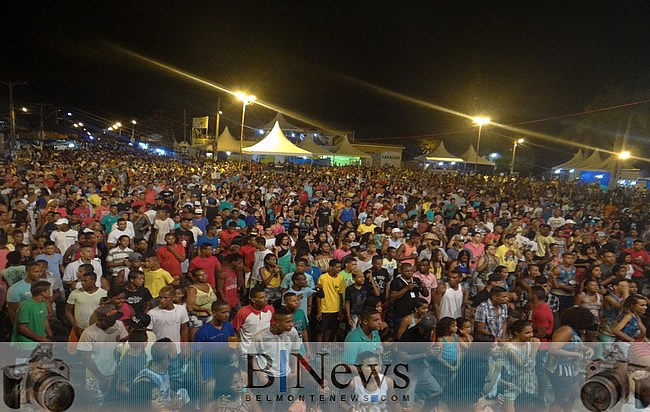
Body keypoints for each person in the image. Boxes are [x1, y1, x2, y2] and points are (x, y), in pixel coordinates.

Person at [77, 304, 128, 404]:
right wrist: (101, 378)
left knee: (112, 405)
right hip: (95, 377)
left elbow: (124, 345)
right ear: (100, 320)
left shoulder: (119, 325)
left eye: (114, 319)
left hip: (114, 374)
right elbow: (86, 358)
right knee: (96, 405)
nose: (113, 323)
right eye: (109, 320)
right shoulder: (88, 333)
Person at [546, 307, 595, 412]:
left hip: (571, 369)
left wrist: (588, 349)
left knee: (573, 393)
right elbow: (553, 350)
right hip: (560, 370)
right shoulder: (566, 331)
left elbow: (576, 345)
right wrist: (575, 354)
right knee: (561, 398)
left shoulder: (574, 332)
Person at [131, 338, 184, 410]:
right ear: (170, 356)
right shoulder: (145, 382)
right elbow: (142, 407)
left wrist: (174, 395)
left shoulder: (164, 370)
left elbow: (165, 389)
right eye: (175, 351)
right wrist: (171, 405)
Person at [502, 320, 540, 412]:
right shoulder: (510, 348)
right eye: (527, 333)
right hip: (512, 386)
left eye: (531, 332)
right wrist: (534, 349)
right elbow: (525, 367)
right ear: (517, 333)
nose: (531, 335)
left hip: (528, 386)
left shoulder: (528, 344)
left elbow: (531, 371)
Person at [66, 272, 107, 342]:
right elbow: (68, 311)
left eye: (85, 281)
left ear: (93, 281)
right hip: (79, 328)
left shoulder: (104, 294)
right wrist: (75, 327)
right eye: (81, 281)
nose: (82, 283)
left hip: (97, 329)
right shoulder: (74, 293)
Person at [147, 285, 189, 354]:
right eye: (160, 298)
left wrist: (185, 346)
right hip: (159, 351)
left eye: (165, 298)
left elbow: (184, 329)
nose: (162, 300)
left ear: (173, 297)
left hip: (176, 350)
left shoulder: (181, 309)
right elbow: (149, 334)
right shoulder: (152, 313)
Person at [233, 286, 274, 355]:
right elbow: (235, 330)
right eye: (262, 298)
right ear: (253, 300)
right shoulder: (243, 312)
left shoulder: (270, 309)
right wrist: (238, 347)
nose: (266, 299)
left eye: (266, 296)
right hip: (247, 350)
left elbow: (272, 325)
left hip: (265, 349)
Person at [10, 280, 52, 349]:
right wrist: (39, 338)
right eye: (48, 290)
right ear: (42, 293)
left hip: (39, 344)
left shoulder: (43, 303)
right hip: (25, 345)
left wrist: (50, 336)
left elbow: (44, 320)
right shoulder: (26, 306)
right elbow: (22, 328)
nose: (50, 292)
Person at [316, 259, 345, 342]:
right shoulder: (323, 278)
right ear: (331, 267)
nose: (339, 269)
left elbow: (340, 295)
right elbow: (319, 296)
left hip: (335, 309)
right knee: (321, 331)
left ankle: (324, 346)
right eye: (337, 267)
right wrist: (319, 311)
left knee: (330, 329)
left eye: (340, 267)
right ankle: (318, 349)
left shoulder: (341, 279)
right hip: (324, 309)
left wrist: (340, 310)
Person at [186, 268, 217, 340]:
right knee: (196, 339)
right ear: (194, 277)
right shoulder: (192, 289)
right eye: (201, 275)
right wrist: (204, 309)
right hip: (198, 317)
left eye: (205, 274)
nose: (204, 276)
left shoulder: (210, 286)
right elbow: (190, 305)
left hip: (210, 316)